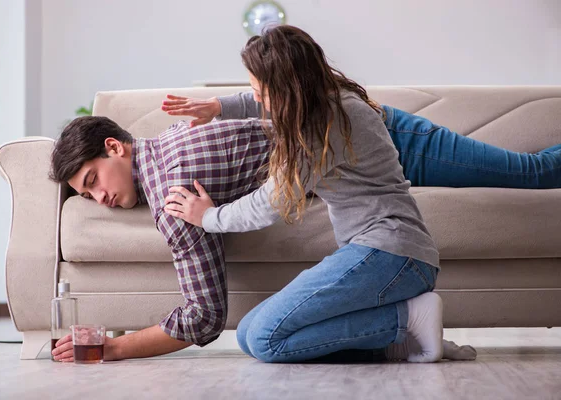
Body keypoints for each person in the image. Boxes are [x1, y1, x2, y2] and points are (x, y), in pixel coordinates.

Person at [160, 25, 561, 364]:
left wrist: (208, 217)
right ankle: (406, 333)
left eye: (261, 91)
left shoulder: (320, 130)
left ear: (289, 89)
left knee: (266, 341)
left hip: (392, 254)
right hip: (383, 254)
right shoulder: (324, 97)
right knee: (250, 335)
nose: (258, 99)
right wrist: (222, 106)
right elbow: (265, 99)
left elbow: (272, 203)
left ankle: (406, 321)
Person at [48, 115, 476, 363]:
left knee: (534, 172)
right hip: (368, 132)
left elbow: (204, 317)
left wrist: (116, 348)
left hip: (391, 142)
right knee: (260, 336)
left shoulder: (174, 199)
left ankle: (406, 326)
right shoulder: (171, 137)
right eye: (87, 196)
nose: (100, 199)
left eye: (93, 181)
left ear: (115, 147)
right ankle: (405, 332)